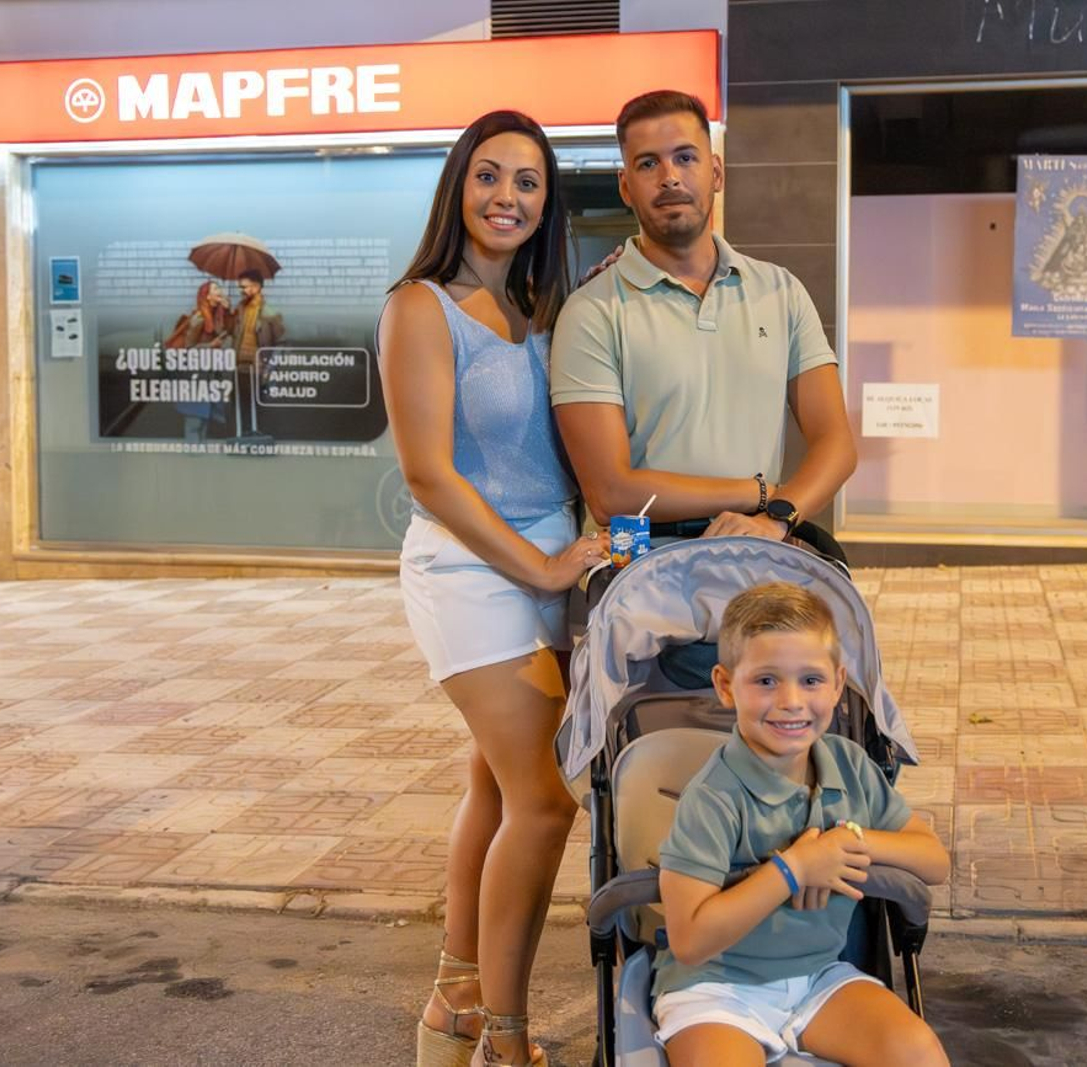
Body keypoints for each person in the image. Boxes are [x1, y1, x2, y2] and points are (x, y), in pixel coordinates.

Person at [379, 110, 606, 1067]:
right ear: (457, 188)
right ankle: (505, 1042)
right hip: (475, 571)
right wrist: (544, 567)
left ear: (546, 203)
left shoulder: (538, 309)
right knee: (547, 802)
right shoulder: (419, 306)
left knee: (493, 780)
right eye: (488, 176)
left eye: (527, 182)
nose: (506, 197)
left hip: (551, 562)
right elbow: (431, 475)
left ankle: (455, 998)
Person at [653, 582, 950, 1066]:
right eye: (766, 681)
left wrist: (843, 844)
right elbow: (689, 941)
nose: (792, 701)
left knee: (918, 1053)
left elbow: (934, 860)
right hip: (716, 989)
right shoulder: (713, 796)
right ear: (726, 685)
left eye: (810, 681)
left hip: (817, 978)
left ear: (838, 681)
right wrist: (793, 870)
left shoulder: (849, 765)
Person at [551, 90, 856, 546]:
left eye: (685, 157)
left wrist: (775, 518)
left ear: (715, 172)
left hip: (759, 547)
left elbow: (837, 443)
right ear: (625, 186)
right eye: (648, 164)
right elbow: (610, 493)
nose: (670, 177)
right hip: (645, 567)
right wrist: (760, 493)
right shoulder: (591, 312)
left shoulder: (781, 291)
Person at [167, 280, 234, 441]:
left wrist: (226, 310)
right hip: (195, 376)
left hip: (207, 374)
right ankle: (193, 457)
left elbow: (228, 331)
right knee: (195, 420)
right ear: (207, 295)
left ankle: (198, 452)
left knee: (204, 419)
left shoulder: (215, 316)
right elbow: (188, 350)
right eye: (216, 288)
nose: (220, 290)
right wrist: (210, 345)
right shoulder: (199, 318)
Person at [231, 268, 285, 436]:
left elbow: (282, 344)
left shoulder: (270, 313)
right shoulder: (239, 310)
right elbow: (229, 333)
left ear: (256, 287)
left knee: (259, 406)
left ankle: (259, 439)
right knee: (240, 405)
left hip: (259, 369)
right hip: (239, 368)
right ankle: (243, 437)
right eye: (240, 287)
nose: (241, 291)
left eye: (244, 287)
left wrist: (269, 369)